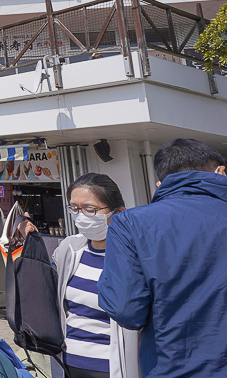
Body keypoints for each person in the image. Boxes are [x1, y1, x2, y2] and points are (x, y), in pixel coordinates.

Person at [99, 139, 227, 377]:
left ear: (160, 183)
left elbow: (127, 310)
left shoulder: (130, 224)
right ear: (220, 171)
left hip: (174, 367)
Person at [36, 173, 139, 378]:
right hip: (68, 364)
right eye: (74, 208)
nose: (80, 216)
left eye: (90, 209)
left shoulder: (134, 257)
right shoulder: (69, 249)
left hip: (112, 366)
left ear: (118, 212)